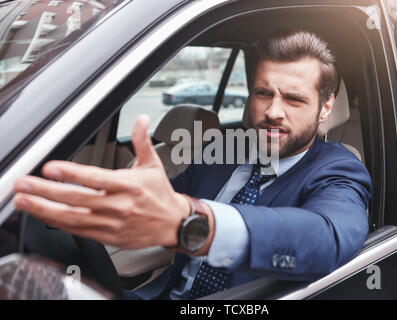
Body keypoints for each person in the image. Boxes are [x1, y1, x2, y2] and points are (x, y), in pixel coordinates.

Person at [12, 30, 372, 300]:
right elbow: (164, 201)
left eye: (293, 99)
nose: (273, 111)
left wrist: (194, 225)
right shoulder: (224, 152)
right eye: (263, 93)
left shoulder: (339, 170)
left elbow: (326, 237)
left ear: (325, 108)